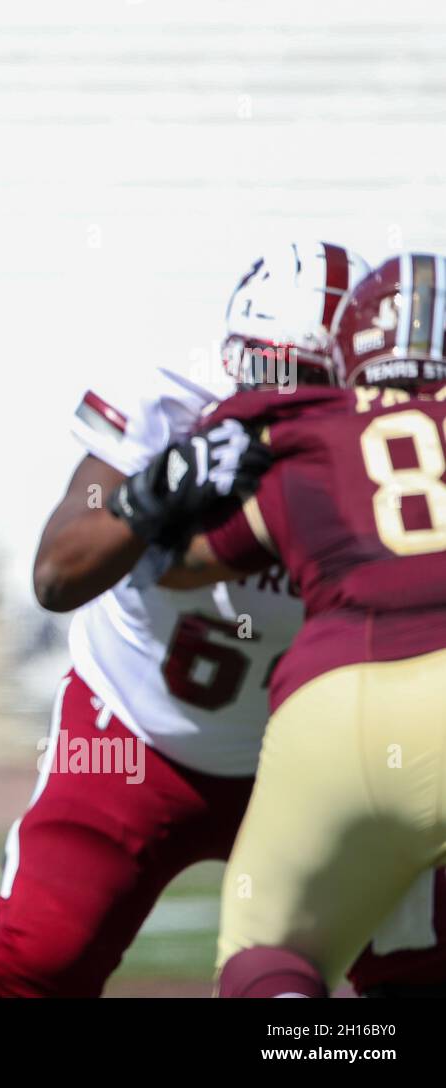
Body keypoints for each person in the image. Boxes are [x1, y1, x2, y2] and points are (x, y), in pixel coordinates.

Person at [0, 241, 446, 997]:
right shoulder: (171, 408)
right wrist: (149, 493)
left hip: (314, 759)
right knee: (35, 967)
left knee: (418, 971)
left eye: (306, 384)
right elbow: (58, 574)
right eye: (259, 367)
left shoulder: (378, 462)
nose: (274, 396)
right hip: (137, 729)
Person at [134, 253, 446, 996]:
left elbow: (180, 564)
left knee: (264, 958)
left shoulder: (313, 434)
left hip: (336, 707)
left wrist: (158, 494)